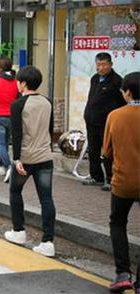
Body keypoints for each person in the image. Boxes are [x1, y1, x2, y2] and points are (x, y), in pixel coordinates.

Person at [4, 66, 56, 257]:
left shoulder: (18, 104)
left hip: (25, 158)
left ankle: (18, 231)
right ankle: (48, 242)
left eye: (18, 81)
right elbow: (49, 131)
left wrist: (17, 158)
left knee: (15, 191)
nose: (17, 84)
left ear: (23, 83)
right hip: (45, 157)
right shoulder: (47, 102)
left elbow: (16, 134)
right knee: (46, 199)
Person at [101, 72, 140, 293]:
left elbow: (106, 151)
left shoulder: (115, 116)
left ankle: (123, 273)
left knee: (118, 222)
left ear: (127, 92)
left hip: (123, 181)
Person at [83, 52, 126, 190]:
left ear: (111, 64)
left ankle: (111, 179)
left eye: (104, 64)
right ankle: (96, 176)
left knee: (108, 152)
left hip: (107, 123)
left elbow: (123, 103)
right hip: (91, 120)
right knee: (93, 150)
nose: (101, 68)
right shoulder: (95, 78)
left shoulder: (117, 81)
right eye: (99, 64)